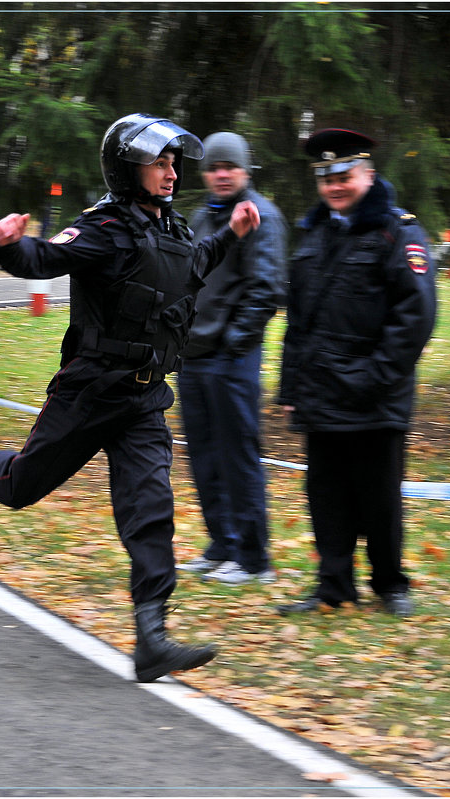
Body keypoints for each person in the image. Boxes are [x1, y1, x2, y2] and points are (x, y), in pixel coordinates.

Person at [0, 113, 261, 683]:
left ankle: (151, 636)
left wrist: (232, 234)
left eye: (172, 163)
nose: (169, 173)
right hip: (89, 395)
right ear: (127, 169)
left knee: (150, 511)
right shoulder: (105, 228)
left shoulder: (177, 230)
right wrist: (8, 248)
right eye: (157, 163)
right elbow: (46, 258)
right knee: (21, 486)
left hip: (143, 401)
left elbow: (197, 266)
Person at [274, 128, 437, 617]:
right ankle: (334, 587)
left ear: (367, 174)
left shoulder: (398, 232)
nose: (335, 187)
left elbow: (416, 317)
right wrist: (290, 386)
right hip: (321, 394)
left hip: (374, 396)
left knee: (379, 497)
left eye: (344, 175)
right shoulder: (315, 235)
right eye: (326, 179)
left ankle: (390, 585)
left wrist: (374, 378)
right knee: (325, 496)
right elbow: (298, 321)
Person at [175, 132, 286, 585]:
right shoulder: (202, 217)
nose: (222, 175)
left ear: (245, 170)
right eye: (214, 168)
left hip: (231, 359)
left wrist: (235, 341)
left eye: (231, 167)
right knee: (203, 455)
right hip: (193, 358)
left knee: (238, 456)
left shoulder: (264, 216)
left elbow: (266, 288)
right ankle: (222, 545)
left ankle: (254, 559)